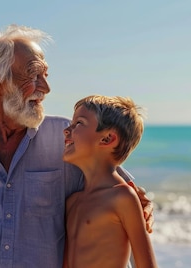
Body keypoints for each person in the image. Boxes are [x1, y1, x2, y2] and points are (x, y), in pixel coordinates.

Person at [0, 24, 154, 268]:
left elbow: (123, 194)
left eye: (46, 75)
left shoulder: (69, 140)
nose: (46, 87)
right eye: (33, 75)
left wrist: (139, 202)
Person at [62, 95, 157, 268]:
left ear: (107, 139)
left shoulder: (122, 197)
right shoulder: (72, 202)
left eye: (79, 124)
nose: (66, 130)